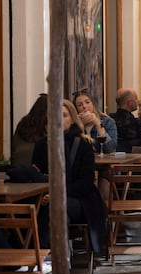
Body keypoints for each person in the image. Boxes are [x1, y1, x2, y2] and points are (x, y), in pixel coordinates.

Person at [31, 99, 106, 253]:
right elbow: (36, 175)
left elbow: (85, 184)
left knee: (57, 207)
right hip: (47, 197)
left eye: (64, 115)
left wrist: (57, 194)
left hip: (81, 200)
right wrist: (46, 193)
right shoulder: (42, 145)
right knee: (49, 210)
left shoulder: (84, 144)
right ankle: (54, 257)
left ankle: (49, 256)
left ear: (72, 119)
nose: (59, 119)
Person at [73, 88, 117, 153]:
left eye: (87, 102)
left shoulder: (108, 122)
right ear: (76, 109)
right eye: (80, 105)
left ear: (93, 104)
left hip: (103, 162)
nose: (84, 106)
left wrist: (98, 124)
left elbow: (110, 148)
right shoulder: (73, 123)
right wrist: (79, 126)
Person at [12, 93, 48, 167]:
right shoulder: (49, 125)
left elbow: (14, 145)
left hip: (18, 167)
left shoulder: (23, 123)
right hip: (37, 170)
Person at [110, 88, 141, 152]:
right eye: (136, 98)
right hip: (136, 158)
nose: (138, 101)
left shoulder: (110, 120)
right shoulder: (136, 123)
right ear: (129, 103)